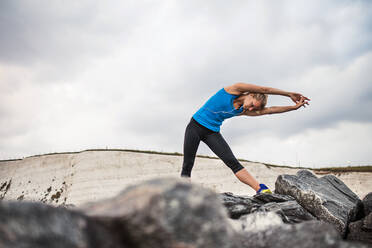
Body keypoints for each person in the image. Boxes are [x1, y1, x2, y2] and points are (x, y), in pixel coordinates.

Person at [181, 82, 310, 194]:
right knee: (188, 164)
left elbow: (271, 110)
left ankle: (260, 188)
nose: (251, 108)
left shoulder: (244, 110)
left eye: (254, 108)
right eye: (253, 104)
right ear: (251, 94)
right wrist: (289, 94)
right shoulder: (234, 89)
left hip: (212, 132)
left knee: (233, 162)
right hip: (195, 126)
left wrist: (293, 108)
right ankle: (182, 192)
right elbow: (265, 90)